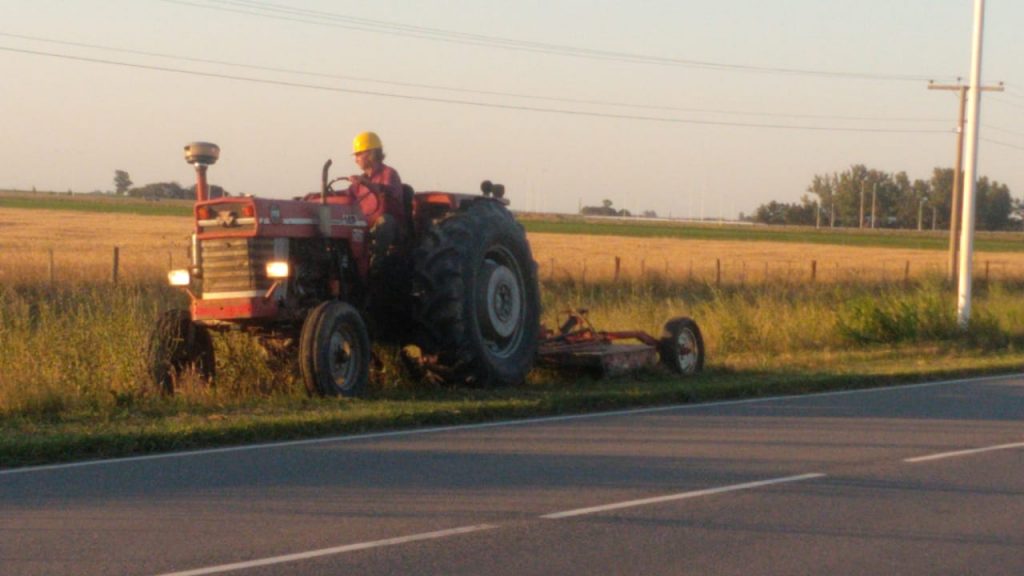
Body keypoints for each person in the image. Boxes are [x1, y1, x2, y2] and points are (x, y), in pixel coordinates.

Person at [348, 131, 405, 264]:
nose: (355, 159)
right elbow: (348, 195)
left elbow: (389, 192)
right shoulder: (361, 181)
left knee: (385, 221)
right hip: (366, 224)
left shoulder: (389, 174)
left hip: (392, 228)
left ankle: (376, 263)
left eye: (358, 154)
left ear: (371, 153)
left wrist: (366, 183)